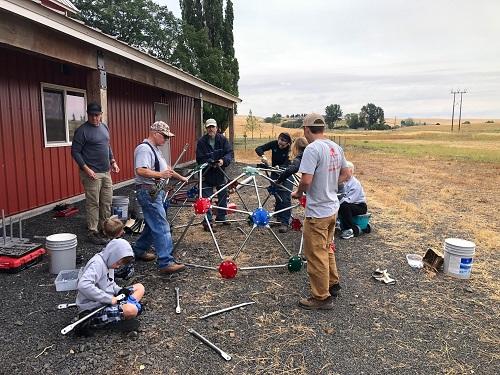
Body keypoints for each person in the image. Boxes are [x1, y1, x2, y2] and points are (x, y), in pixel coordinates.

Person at [291, 113, 351, 310]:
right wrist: (330, 184)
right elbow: (347, 173)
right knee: (327, 248)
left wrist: (298, 193)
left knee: (315, 254)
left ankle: (321, 297)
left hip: (317, 212)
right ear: (322, 129)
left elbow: (306, 181)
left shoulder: (312, 149)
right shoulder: (335, 147)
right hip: (332, 208)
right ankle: (333, 283)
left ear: (307, 129)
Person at [132, 121, 187, 274]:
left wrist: (181, 177)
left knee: (152, 224)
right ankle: (166, 262)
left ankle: (139, 250)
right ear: (155, 133)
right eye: (164, 136)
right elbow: (141, 170)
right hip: (148, 192)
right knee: (162, 225)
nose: (166, 140)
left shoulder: (155, 149)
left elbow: (167, 169)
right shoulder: (144, 149)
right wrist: (160, 175)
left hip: (156, 192)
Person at [75, 218, 145, 336]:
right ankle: (93, 322)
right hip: (93, 308)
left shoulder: (109, 262)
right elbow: (83, 285)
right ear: (113, 255)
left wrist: (119, 290)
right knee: (132, 310)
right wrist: (109, 299)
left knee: (140, 287)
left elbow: (109, 283)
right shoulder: (97, 264)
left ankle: (125, 308)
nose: (118, 267)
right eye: (118, 263)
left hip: (108, 300)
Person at [71, 102, 120, 245]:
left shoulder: (104, 127)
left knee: (106, 201)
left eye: (97, 115)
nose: (95, 118)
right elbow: (75, 152)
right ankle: (92, 231)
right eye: (92, 115)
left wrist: (113, 161)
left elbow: (107, 145)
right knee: (93, 203)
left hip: (106, 172)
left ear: (101, 115)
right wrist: (87, 169)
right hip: (91, 173)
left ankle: (104, 229)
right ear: (88, 115)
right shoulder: (82, 130)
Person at [195, 118, 233, 232]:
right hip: (207, 173)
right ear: (206, 129)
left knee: (223, 194)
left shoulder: (222, 139)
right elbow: (199, 158)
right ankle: (208, 221)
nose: (211, 129)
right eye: (209, 127)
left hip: (220, 172)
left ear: (216, 128)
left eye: (213, 127)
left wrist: (222, 161)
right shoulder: (202, 142)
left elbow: (229, 153)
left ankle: (221, 217)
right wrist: (209, 162)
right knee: (207, 198)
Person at [255, 132, 292, 233]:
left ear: (288, 143)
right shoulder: (274, 144)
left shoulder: (290, 150)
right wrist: (263, 156)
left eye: (284, 141)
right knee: (277, 195)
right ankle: (279, 219)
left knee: (285, 197)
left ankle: (285, 222)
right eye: (280, 139)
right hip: (275, 174)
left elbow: (289, 163)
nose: (280, 143)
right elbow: (259, 148)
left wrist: (281, 167)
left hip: (287, 174)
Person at [338, 161, 367, 239]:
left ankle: (350, 229)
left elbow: (349, 200)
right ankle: (338, 222)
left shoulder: (355, 183)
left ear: (350, 171)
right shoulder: (342, 181)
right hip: (348, 204)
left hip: (359, 206)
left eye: (344, 171)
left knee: (344, 206)